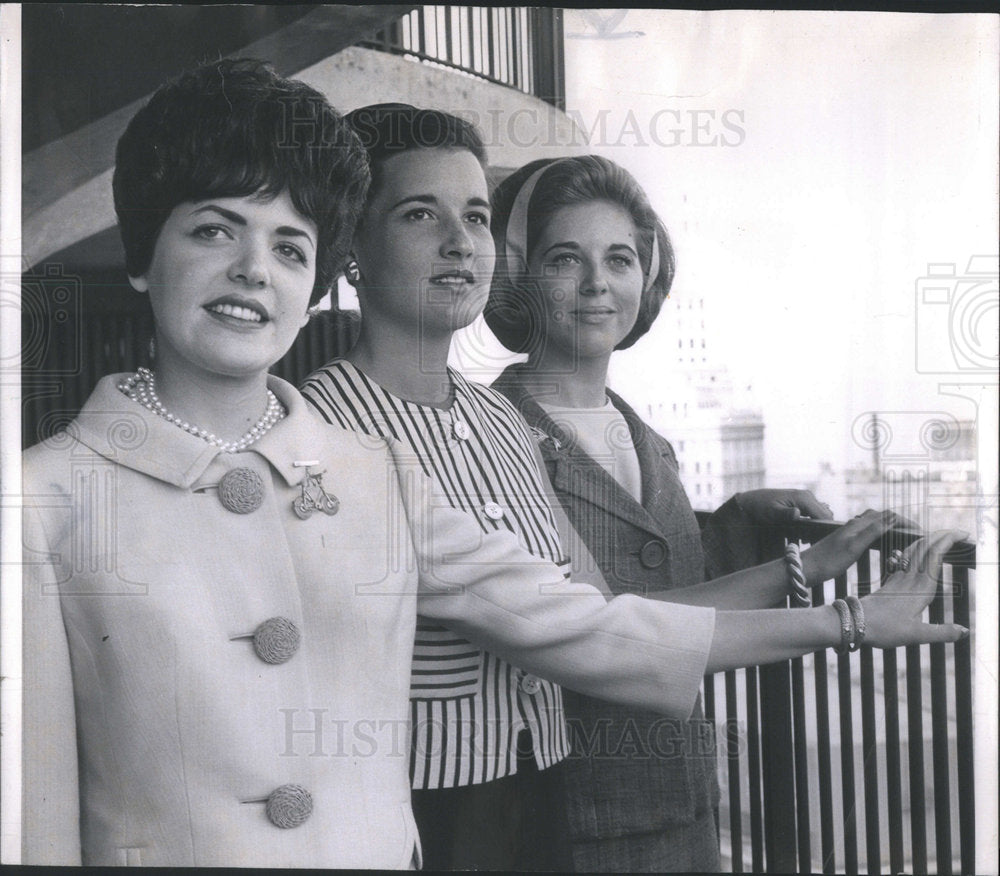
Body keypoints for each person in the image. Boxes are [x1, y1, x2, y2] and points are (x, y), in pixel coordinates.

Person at [19, 61, 712, 869]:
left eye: (287, 245)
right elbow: (40, 814)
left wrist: (828, 614)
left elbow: (583, 613)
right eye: (213, 229)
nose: (251, 267)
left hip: (503, 804)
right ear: (142, 255)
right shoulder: (43, 499)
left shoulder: (422, 446)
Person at [300, 110, 969, 871]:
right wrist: (844, 620)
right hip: (422, 818)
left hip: (542, 799)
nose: (459, 241)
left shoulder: (493, 419)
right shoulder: (323, 430)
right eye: (421, 213)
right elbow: (580, 637)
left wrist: (802, 571)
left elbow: (602, 610)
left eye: (476, 216)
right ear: (350, 243)